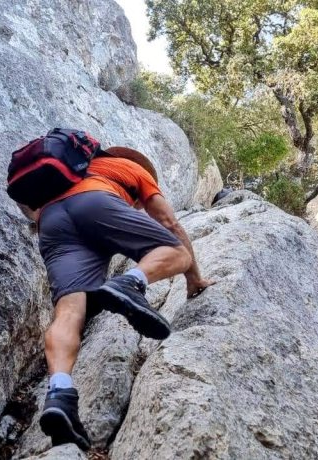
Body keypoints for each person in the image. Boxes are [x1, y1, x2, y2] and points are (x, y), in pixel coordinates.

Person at [17, 145, 212, 450]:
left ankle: (60, 393)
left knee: (69, 311)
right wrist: (194, 277)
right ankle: (130, 283)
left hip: (51, 221)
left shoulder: (77, 172)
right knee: (177, 252)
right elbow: (169, 223)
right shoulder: (134, 169)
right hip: (95, 203)